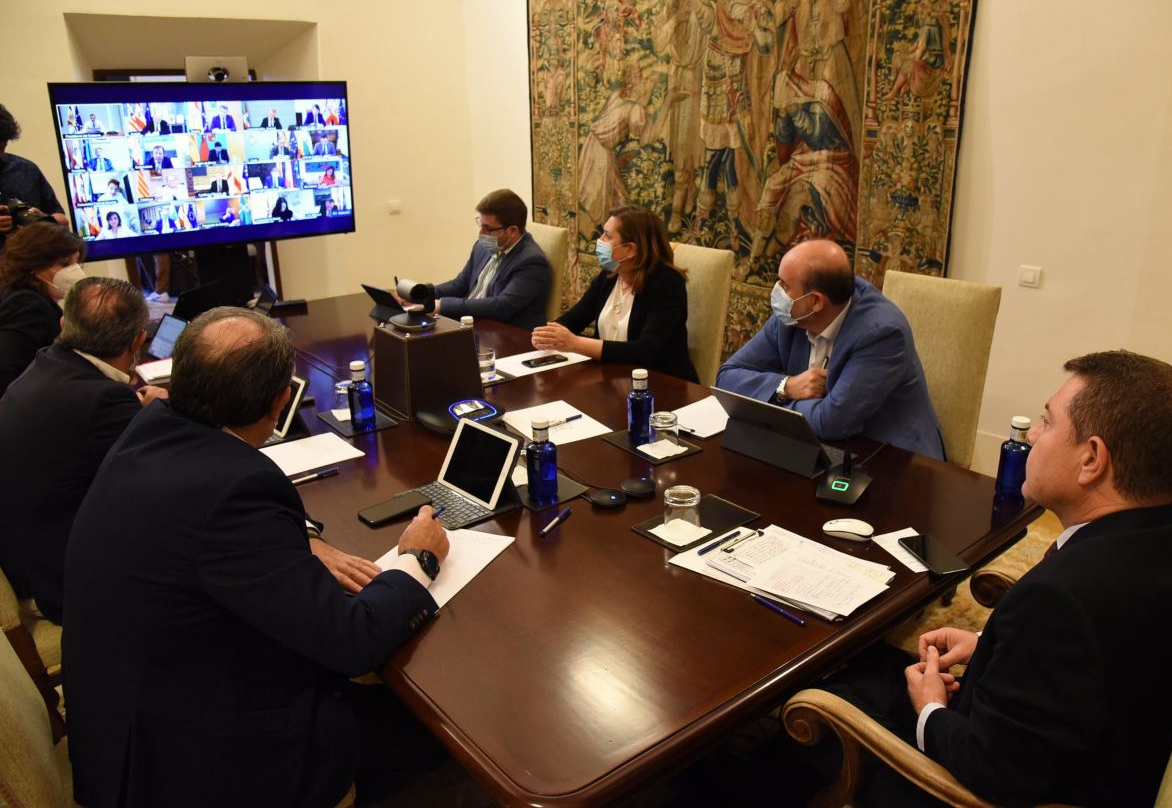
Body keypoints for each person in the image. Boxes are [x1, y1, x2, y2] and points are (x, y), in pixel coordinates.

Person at [64, 307, 451, 808]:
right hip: (195, 765)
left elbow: (204, 532)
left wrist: (300, 537)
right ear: (281, 399)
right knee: (435, 732)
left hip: (124, 715)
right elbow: (353, 641)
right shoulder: (232, 489)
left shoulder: (152, 430)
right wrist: (417, 560)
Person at [813, 351, 1172, 808]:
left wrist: (930, 709)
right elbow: (1113, 647)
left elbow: (994, 773)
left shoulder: (1059, 601)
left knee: (817, 711)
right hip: (1123, 742)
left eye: (1046, 422)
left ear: (1091, 459)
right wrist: (989, 639)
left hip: (1024, 785)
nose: (1030, 435)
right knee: (870, 667)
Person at [0, 278, 166, 624]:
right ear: (139, 339)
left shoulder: (48, 362)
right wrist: (165, 412)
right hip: (60, 581)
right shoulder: (102, 400)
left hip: (23, 555)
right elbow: (165, 478)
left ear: (64, 324)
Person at [715, 239, 943, 458]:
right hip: (814, 447)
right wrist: (786, 387)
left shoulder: (882, 333)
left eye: (784, 285)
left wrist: (767, 404)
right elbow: (727, 377)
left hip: (891, 457)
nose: (776, 292)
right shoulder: (792, 317)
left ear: (815, 301)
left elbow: (832, 422)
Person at [532, 204, 698, 381]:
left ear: (630, 249)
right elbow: (575, 318)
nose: (600, 240)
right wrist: (548, 335)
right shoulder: (610, 275)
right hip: (610, 378)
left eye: (607, 236)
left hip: (661, 384)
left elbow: (645, 351)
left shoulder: (668, 283)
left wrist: (575, 343)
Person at [432, 189, 551, 330]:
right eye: (481, 225)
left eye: (488, 228)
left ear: (512, 231)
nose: (481, 234)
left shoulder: (532, 263)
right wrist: (422, 294)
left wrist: (442, 305)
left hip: (505, 335)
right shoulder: (484, 246)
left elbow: (501, 306)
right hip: (470, 324)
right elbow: (460, 284)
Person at [0, 223, 86, 395]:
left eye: (77, 263)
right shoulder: (27, 303)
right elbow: (5, 371)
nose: (74, 271)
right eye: (64, 264)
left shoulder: (20, 293)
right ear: (33, 265)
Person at [0, 103, 69, 247]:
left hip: (33, 264)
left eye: (2, 146)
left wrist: (40, 221)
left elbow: (62, 220)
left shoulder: (26, 169)